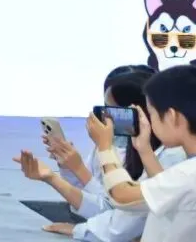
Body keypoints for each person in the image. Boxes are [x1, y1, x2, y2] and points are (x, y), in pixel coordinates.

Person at [15, 65, 187, 240]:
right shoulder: (134, 145)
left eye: (111, 110)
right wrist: (58, 173)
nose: (105, 117)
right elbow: (109, 205)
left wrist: (91, 160)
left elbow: (121, 208)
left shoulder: (173, 158)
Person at [88, 64, 196, 242]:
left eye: (151, 114)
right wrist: (144, 149)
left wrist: (105, 147)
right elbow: (164, 190)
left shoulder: (188, 173)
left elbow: (122, 197)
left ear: (172, 116)